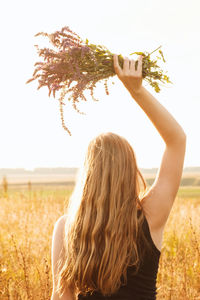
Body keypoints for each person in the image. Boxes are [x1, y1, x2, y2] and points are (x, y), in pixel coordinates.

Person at [51, 54, 186, 300]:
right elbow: (177, 140)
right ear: (130, 171)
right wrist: (137, 91)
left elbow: (62, 297)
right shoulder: (150, 216)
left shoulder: (66, 228)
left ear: (88, 177)